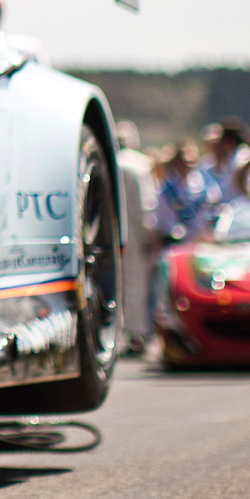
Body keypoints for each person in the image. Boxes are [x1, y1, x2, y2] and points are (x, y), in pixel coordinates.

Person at [114, 122, 157, 355]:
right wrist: (149, 235)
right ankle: (136, 334)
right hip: (134, 234)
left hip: (112, 236)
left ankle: (120, 332)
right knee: (136, 286)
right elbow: (145, 207)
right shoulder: (139, 165)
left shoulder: (110, 161)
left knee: (119, 285)